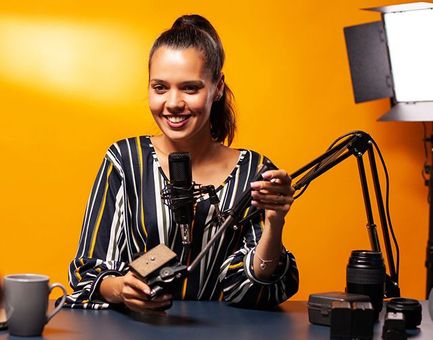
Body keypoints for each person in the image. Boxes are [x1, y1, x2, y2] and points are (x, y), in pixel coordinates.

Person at [65, 14, 299, 311]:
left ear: (217, 88)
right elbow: (89, 272)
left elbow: (255, 286)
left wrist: (275, 223)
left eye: (190, 88)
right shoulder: (124, 161)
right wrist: (123, 290)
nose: (173, 103)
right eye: (160, 87)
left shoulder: (255, 171)